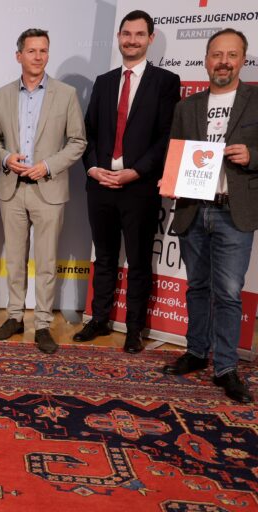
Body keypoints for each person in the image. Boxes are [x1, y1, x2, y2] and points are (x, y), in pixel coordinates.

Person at [161, 29, 257, 404]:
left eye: (231, 55)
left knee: (229, 294)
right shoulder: (187, 107)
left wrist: (252, 156)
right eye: (217, 55)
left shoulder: (255, 100)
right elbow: (174, 152)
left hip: (234, 211)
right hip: (193, 208)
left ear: (243, 60)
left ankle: (226, 368)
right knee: (197, 287)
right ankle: (197, 352)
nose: (223, 62)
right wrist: (170, 180)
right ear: (206, 60)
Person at [75, 10, 180, 353]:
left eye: (139, 34)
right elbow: (88, 133)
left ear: (150, 39)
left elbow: (166, 137)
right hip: (100, 186)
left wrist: (137, 171)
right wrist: (92, 168)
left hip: (139, 187)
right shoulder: (104, 81)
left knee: (138, 261)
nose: (131, 40)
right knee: (104, 257)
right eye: (126, 34)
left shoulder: (165, 81)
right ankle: (99, 319)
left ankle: (134, 328)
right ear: (119, 37)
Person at [0, 29, 86, 354]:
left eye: (43, 50)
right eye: (31, 51)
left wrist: (47, 165)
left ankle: (42, 324)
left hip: (49, 188)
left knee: (46, 261)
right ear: (19, 55)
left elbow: (78, 141)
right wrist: (5, 158)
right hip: (12, 189)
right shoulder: (1, 96)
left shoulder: (66, 94)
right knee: (15, 260)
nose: (38, 56)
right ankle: (14, 317)